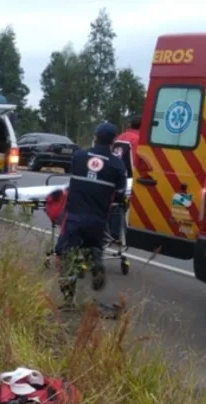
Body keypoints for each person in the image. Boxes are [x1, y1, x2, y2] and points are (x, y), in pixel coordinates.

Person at [56, 123, 128, 303]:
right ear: (113, 141)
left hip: (74, 216)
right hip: (98, 219)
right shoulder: (117, 165)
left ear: (95, 137)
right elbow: (120, 195)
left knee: (65, 256)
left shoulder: (78, 157)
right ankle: (95, 262)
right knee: (93, 244)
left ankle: (67, 300)